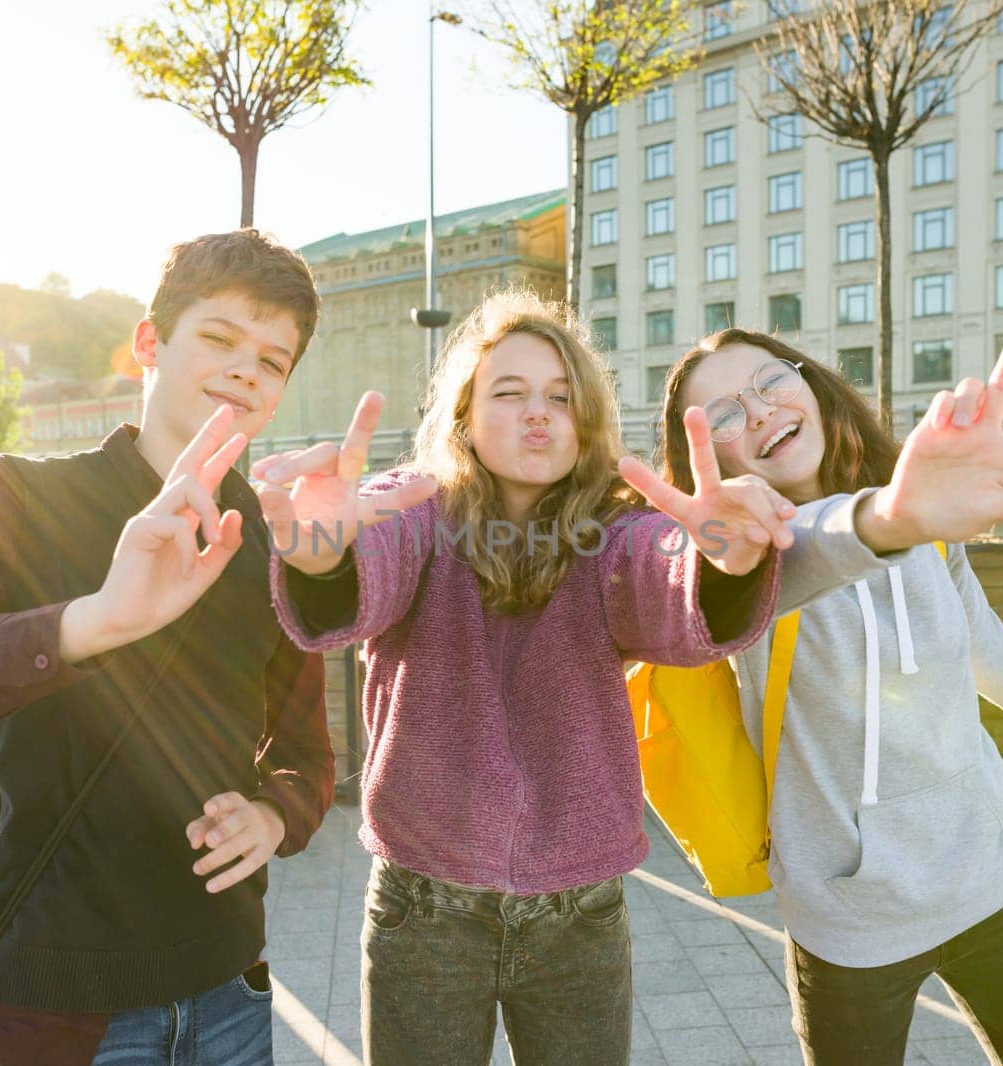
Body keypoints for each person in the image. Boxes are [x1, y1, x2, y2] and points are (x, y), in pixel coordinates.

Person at [0, 230, 336, 1066]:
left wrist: (274, 816)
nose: (247, 368)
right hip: (51, 1012)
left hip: (229, 996)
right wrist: (95, 620)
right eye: (219, 337)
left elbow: (310, 755)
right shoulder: (12, 498)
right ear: (149, 342)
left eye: (273, 360)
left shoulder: (271, 541)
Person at [251, 289, 792, 1065]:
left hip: (581, 912)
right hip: (423, 904)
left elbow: (661, 580)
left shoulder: (615, 532)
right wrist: (321, 555)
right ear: (465, 415)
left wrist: (722, 562)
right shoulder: (413, 510)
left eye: (561, 397)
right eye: (510, 393)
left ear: (586, 424)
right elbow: (367, 558)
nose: (539, 413)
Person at [659, 315, 1003, 1066]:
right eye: (728, 413)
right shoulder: (746, 570)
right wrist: (888, 519)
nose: (761, 410)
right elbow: (810, 553)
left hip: (986, 876)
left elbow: (976, 636)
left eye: (771, 381)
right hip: (850, 914)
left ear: (811, 381)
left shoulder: (922, 509)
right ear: (708, 457)